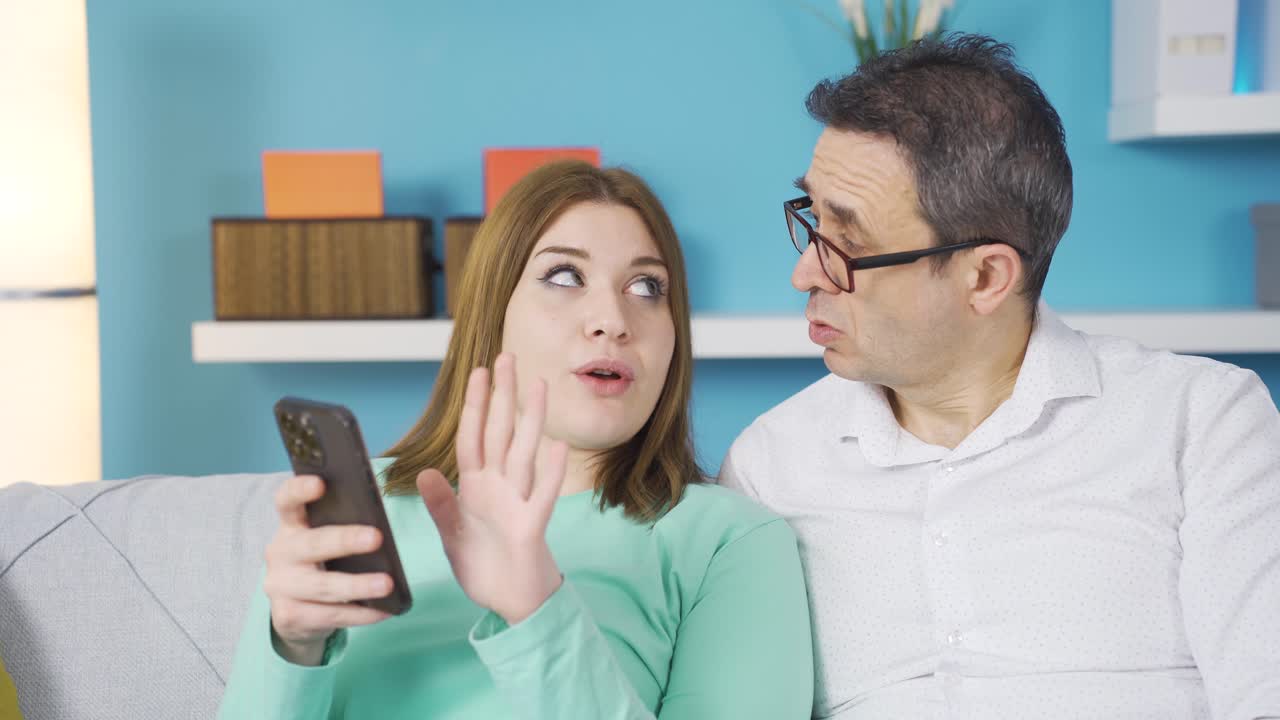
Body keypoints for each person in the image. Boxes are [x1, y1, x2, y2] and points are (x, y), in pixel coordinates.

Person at [719, 34, 1280, 719]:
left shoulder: (1202, 424)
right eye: (812, 221)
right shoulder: (769, 466)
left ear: (985, 277)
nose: (804, 273)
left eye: (849, 244)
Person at [219, 161, 814, 719]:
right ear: (493, 310)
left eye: (646, 287)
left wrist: (537, 607)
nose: (612, 320)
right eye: (565, 276)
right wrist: (292, 647)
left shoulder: (726, 540)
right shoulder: (366, 503)